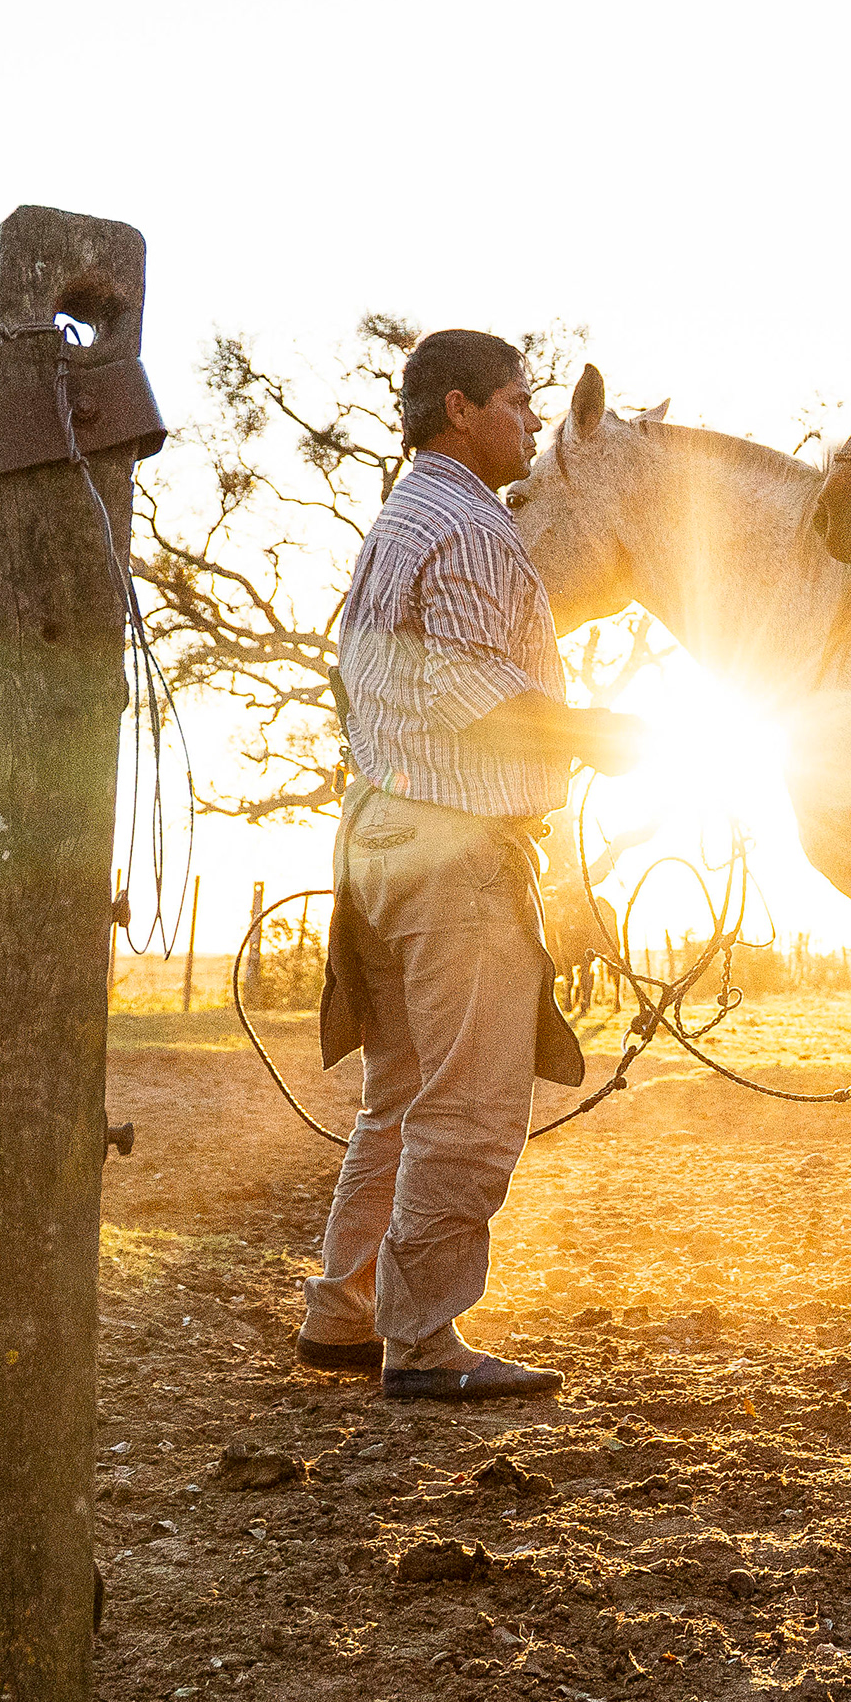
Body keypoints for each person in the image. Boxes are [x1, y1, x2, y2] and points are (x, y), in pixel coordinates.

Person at [298, 330, 641, 1402]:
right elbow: (487, 700)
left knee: (398, 1094)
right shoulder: (480, 533)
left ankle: (343, 1312)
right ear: (460, 409)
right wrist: (611, 736)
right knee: (472, 1106)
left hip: (381, 841)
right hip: (458, 855)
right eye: (518, 402)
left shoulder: (397, 523)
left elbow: (371, 678)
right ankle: (426, 1338)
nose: (534, 422)